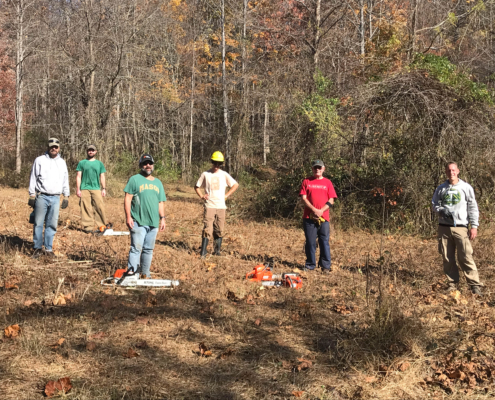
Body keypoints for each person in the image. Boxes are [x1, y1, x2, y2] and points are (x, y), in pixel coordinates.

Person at [432, 162, 482, 295]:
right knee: (447, 257)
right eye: (449, 170)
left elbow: (472, 207)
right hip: (444, 227)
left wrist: (474, 226)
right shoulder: (441, 188)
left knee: (465, 256)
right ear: (446, 172)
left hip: (461, 227)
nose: (451, 172)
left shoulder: (466, 187)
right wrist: (441, 211)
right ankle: (452, 284)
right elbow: (434, 204)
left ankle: (474, 285)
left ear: (458, 171)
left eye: (453, 170)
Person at [124, 154, 166, 278]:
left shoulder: (158, 182)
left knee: (148, 249)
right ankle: (132, 274)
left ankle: (145, 274)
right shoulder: (134, 179)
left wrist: (162, 218)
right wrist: (128, 217)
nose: (148, 166)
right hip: (138, 220)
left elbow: (160, 202)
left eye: (150, 163)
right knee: (136, 248)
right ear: (141, 165)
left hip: (153, 222)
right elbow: (127, 198)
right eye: (145, 163)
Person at [28, 137, 70, 259]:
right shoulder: (39, 160)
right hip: (42, 196)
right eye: (51, 146)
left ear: (59, 148)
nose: (54, 148)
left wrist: (66, 196)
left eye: (56, 147)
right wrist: (32, 194)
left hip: (56, 197)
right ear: (48, 147)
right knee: (38, 223)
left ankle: (48, 248)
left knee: (52, 224)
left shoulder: (62, 162)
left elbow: (65, 179)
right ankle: (37, 248)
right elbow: (33, 177)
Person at [195, 151, 239, 258]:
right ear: (212, 162)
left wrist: (227, 195)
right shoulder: (206, 174)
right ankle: (203, 251)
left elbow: (235, 185)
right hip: (209, 205)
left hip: (221, 206)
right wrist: (202, 196)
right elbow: (197, 186)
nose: (217, 166)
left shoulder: (224, 174)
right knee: (207, 228)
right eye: (215, 163)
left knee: (219, 229)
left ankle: (217, 251)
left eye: (219, 164)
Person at [299, 160, 337, 273]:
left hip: (324, 218)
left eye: (319, 168)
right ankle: (310, 265)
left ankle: (325, 265)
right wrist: (314, 210)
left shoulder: (328, 183)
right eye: (315, 168)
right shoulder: (306, 181)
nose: (317, 170)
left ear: (323, 169)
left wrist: (321, 211)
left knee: (324, 241)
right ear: (312, 169)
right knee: (310, 242)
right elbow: (303, 198)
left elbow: (332, 199)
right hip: (308, 217)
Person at [76, 144, 109, 233]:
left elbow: (102, 176)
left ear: (95, 152)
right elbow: (79, 176)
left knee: (99, 206)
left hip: (96, 188)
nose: (91, 152)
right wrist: (78, 189)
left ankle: (102, 225)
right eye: (89, 150)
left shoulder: (99, 163)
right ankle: (88, 227)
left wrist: (104, 188)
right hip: (84, 188)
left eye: (92, 150)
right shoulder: (82, 163)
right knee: (86, 207)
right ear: (87, 151)